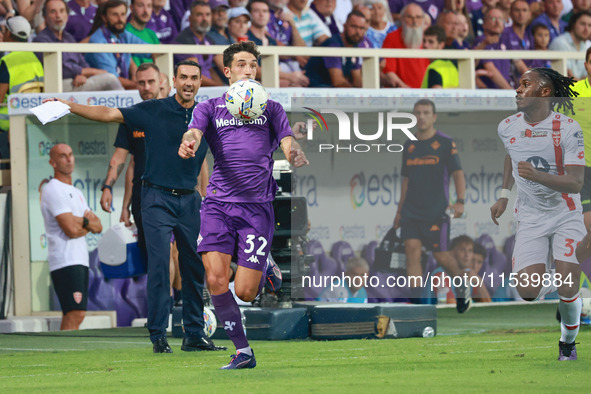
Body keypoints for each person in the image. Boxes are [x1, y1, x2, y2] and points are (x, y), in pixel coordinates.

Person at [48, 60, 225, 354]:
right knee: (158, 265)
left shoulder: (207, 116)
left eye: (194, 78)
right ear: (174, 80)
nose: (189, 83)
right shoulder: (152, 110)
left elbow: (219, 155)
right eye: (184, 77)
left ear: (200, 82)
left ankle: (193, 334)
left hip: (190, 200)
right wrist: (69, 105)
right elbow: (107, 114)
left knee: (194, 267)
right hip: (155, 198)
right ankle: (158, 335)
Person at [178, 41, 309, 369]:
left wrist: (292, 152)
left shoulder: (272, 109)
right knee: (216, 280)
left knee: (246, 292)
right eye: (241, 64)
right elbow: (193, 131)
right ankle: (243, 352)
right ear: (227, 71)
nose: (248, 70)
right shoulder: (210, 107)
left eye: (253, 64)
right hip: (218, 205)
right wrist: (188, 143)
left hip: (256, 208)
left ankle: (262, 264)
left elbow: (287, 140)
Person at [490, 68, 585, 361]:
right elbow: (511, 154)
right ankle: (566, 276)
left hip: (566, 213)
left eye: (525, 84)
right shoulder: (507, 126)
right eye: (518, 84)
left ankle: (567, 343)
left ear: (545, 92)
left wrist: (537, 175)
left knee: (568, 290)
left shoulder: (568, 128)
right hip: (530, 216)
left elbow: (575, 182)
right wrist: (505, 195)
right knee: (528, 292)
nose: (518, 89)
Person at [394, 99, 471, 313]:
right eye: (418, 112)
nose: (421, 116)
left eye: (426, 112)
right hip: (411, 210)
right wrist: (399, 211)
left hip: (436, 211)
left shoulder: (446, 143)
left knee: (441, 256)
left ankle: (462, 287)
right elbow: (406, 181)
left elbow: (458, 173)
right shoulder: (408, 145)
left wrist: (461, 201)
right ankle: (418, 307)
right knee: (412, 251)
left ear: (434, 116)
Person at [41, 144, 102, 330]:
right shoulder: (52, 188)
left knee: (77, 313)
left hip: (80, 259)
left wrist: (81, 222)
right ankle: (63, 350)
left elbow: (98, 225)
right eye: (62, 156)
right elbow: (70, 229)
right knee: (74, 312)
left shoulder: (77, 192)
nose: (68, 159)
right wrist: (86, 223)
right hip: (65, 259)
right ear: (52, 162)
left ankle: (66, 349)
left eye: (70, 154)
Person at [34, 0, 123, 92]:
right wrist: (91, 72)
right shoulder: (41, 40)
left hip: (77, 80)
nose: (58, 16)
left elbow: (82, 62)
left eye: (61, 11)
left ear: (67, 15)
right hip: (58, 84)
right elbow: (62, 69)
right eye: (53, 11)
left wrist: (82, 75)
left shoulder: (69, 38)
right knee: (110, 79)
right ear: (44, 16)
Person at [85, 0, 148, 89]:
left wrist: (135, 75)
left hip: (122, 90)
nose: (120, 19)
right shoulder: (98, 40)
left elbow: (150, 50)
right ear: (104, 18)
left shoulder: (124, 34)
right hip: (103, 94)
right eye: (115, 15)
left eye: (123, 14)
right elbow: (113, 78)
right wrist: (140, 86)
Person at [0, 16, 43, 133]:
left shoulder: (8, 61)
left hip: (6, 124)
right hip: (32, 123)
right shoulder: (35, 59)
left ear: (8, 33)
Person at [305, 9, 369, 88]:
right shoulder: (333, 45)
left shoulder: (354, 45)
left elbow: (357, 79)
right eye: (354, 26)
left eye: (362, 28)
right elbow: (338, 82)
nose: (358, 32)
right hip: (314, 89)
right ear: (345, 26)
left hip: (330, 91)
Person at [173, 1, 225, 86]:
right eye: (199, 15)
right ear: (190, 19)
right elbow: (194, 74)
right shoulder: (183, 40)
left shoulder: (209, 40)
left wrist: (221, 85)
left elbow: (210, 68)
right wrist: (218, 87)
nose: (204, 19)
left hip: (208, 90)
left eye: (207, 15)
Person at [381, 3, 430, 88]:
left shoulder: (427, 39)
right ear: (402, 19)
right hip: (400, 94)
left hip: (425, 94)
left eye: (418, 17)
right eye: (410, 17)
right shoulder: (392, 38)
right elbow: (389, 72)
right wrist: (407, 90)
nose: (414, 21)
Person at [472, 7, 513, 89]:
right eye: (493, 19)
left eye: (500, 19)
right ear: (484, 24)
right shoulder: (482, 41)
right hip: (490, 94)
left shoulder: (504, 41)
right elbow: (491, 70)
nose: (497, 22)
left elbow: (518, 62)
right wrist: (510, 91)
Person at [549, 11, 591, 80]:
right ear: (573, 24)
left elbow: (587, 75)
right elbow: (567, 76)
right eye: (583, 24)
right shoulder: (560, 43)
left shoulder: (588, 45)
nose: (586, 29)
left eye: (590, 25)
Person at [450, 236, 491, 302]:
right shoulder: (444, 275)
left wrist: (479, 282)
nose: (474, 266)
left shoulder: (472, 280)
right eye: (472, 260)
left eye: (469, 251)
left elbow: (488, 305)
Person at [125, 0, 160, 67]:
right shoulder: (125, 33)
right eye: (140, 5)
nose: (145, 10)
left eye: (149, 6)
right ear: (131, 8)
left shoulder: (152, 34)